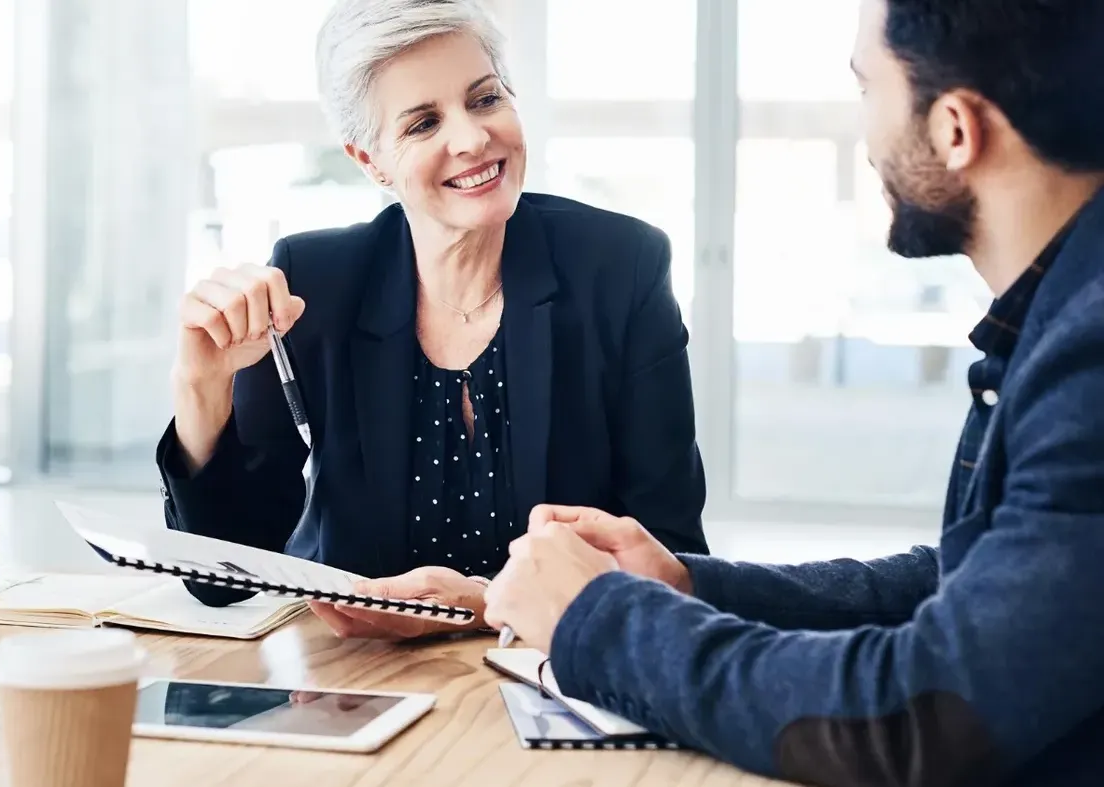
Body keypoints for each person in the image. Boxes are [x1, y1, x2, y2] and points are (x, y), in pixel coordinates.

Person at [483, 0, 1104, 784]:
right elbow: (967, 579)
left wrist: (596, 620)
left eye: (867, 90)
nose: (865, 137)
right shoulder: (1064, 312)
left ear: (955, 129)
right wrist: (687, 581)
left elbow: (916, 714)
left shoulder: (1089, 356)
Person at [157, 0, 709, 640]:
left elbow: (671, 559)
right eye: (423, 124)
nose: (473, 138)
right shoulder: (314, 284)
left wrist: (480, 604)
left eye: (484, 100)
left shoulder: (621, 268)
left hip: (557, 678)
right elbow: (224, 577)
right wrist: (201, 387)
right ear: (371, 162)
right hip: (352, 679)